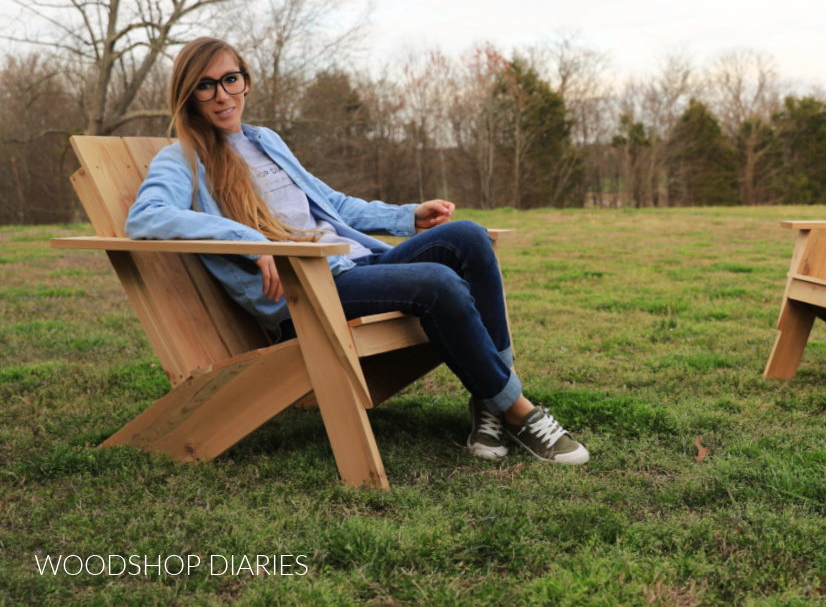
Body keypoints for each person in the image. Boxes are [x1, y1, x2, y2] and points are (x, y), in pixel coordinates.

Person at [125, 36, 588, 465]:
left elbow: (333, 204)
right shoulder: (182, 157)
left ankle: (491, 401)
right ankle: (518, 411)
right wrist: (251, 242)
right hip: (308, 291)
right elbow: (145, 216)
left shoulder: (266, 141)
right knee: (438, 283)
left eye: (230, 79)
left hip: (355, 264)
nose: (223, 95)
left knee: (468, 236)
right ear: (189, 95)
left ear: (245, 81)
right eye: (206, 86)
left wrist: (406, 217)